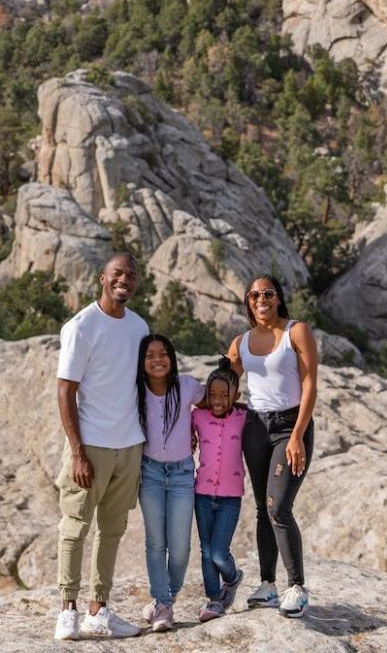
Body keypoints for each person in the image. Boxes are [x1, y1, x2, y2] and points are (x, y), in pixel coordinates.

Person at [54, 253, 149, 641]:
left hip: (129, 446)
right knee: (75, 526)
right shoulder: (81, 326)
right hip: (90, 445)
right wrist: (76, 451)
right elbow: (65, 391)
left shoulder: (140, 327)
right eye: (117, 273)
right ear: (102, 279)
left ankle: (99, 609)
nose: (124, 279)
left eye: (130, 274)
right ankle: (67, 610)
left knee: (113, 530)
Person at [226, 274, 319, 618]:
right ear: (247, 302)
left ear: (278, 298)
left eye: (267, 293)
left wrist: (297, 435)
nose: (261, 300)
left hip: (289, 427)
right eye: (254, 296)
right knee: (262, 509)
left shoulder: (296, 331)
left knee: (278, 505)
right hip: (255, 427)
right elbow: (225, 386)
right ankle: (268, 586)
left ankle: (297, 586)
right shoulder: (241, 342)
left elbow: (310, 385)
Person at [135, 333, 205, 632]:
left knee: (179, 547)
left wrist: (196, 428)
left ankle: (167, 598)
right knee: (155, 543)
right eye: (150, 355)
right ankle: (163, 604)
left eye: (163, 353)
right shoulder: (134, 390)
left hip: (181, 475)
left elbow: (216, 399)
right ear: (141, 362)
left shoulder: (187, 387)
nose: (157, 359)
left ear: (172, 358)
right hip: (149, 473)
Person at [191, 359, 247, 622]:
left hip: (230, 498)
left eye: (224, 395)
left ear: (234, 395)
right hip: (201, 494)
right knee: (205, 550)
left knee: (218, 552)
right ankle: (214, 600)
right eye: (211, 394)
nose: (217, 400)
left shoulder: (244, 417)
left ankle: (233, 577)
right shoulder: (197, 416)